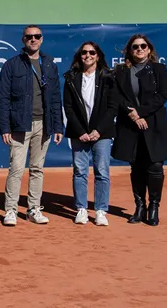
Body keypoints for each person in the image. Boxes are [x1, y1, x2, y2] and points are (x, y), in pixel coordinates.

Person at [0, 25, 63, 226]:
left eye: (36, 36)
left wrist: (58, 126)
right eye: (29, 37)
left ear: (41, 39)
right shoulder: (12, 64)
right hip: (19, 125)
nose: (33, 39)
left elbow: (55, 98)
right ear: (23, 40)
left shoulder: (50, 64)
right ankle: (10, 210)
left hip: (44, 124)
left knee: (37, 169)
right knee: (16, 168)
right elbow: (3, 98)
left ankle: (34, 209)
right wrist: (5, 127)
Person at [112, 34, 167, 227]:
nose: (139, 49)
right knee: (136, 166)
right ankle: (139, 207)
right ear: (129, 51)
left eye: (143, 46)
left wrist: (140, 112)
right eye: (135, 47)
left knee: (155, 166)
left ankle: (154, 206)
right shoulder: (120, 71)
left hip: (154, 123)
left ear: (149, 49)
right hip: (130, 125)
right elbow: (116, 95)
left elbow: (163, 95)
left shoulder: (159, 69)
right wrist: (133, 115)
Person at [63, 42, 117, 226]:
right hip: (79, 134)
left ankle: (101, 210)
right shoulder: (71, 77)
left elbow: (112, 108)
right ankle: (81, 209)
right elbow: (68, 108)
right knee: (80, 172)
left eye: (91, 52)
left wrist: (98, 131)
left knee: (102, 172)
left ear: (98, 56)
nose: (88, 55)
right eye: (84, 52)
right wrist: (81, 132)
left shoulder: (108, 77)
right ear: (80, 56)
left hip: (101, 133)